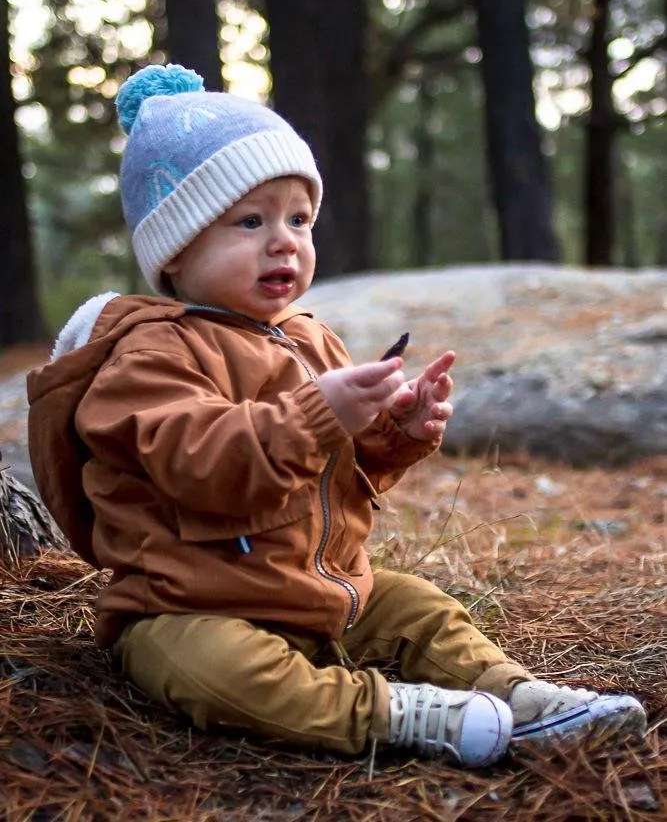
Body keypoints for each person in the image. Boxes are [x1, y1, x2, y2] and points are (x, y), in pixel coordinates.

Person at [27, 64, 646, 770]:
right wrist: (319, 414)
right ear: (176, 245)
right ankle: (398, 715)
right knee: (214, 670)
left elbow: (331, 469)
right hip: (190, 605)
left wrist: (391, 436)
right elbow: (198, 465)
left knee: (418, 608)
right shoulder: (147, 354)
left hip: (320, 592)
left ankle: (523, 696)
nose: (283, 240)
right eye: (249, 221)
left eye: (298, 219)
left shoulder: (310, 337)